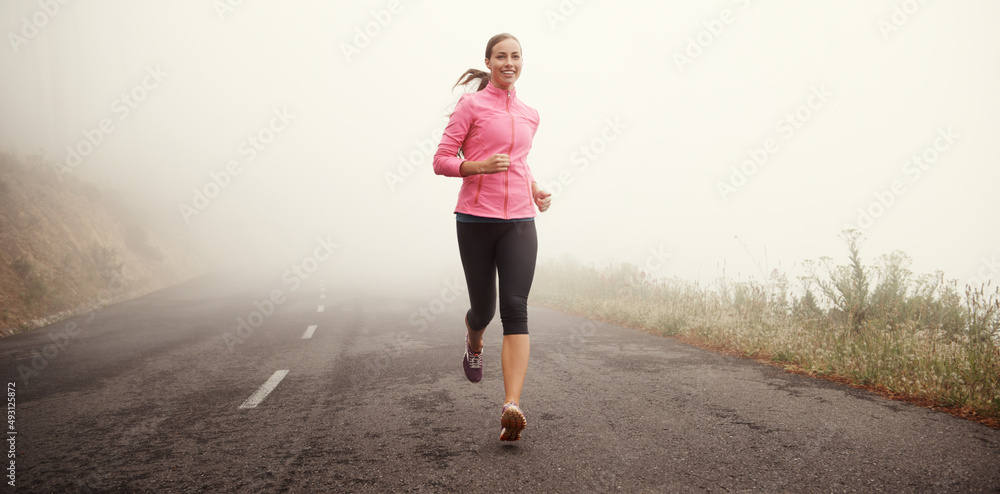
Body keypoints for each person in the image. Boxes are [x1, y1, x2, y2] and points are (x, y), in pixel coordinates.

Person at [433, 33, 551, 442]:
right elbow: (442, 160)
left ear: (522, 62)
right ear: (488, 61)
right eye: (501, 56)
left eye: (516, 56)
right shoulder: (471, 106)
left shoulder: (530, 113)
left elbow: (519, 160)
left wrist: (533, 188)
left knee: (515, 306)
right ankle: (473, 338)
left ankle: (511, 405)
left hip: (520, 219)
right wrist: (477, 167)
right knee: (483, 309)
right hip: (475, 220)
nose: (509, 62)